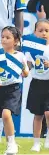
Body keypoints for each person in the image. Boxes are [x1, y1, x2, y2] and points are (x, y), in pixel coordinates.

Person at [0, 26, 29, 154]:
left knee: (6, 114)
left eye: (7, 37)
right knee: (0, 117)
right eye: (2, 37)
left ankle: (11, 144)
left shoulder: (19, 55)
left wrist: (22, 69)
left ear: (15, 41)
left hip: (13, 89)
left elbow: (25, 73)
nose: (4, 40)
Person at [27, 19, 49, 152]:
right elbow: (28, 66)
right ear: (35, 32)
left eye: (47, 31)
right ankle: (36, 142)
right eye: (40, 31)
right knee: (38, 115)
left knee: (48, 113)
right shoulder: (32, 49)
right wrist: (24, 69)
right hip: (36, 84)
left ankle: (48, 139)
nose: (44, 33)